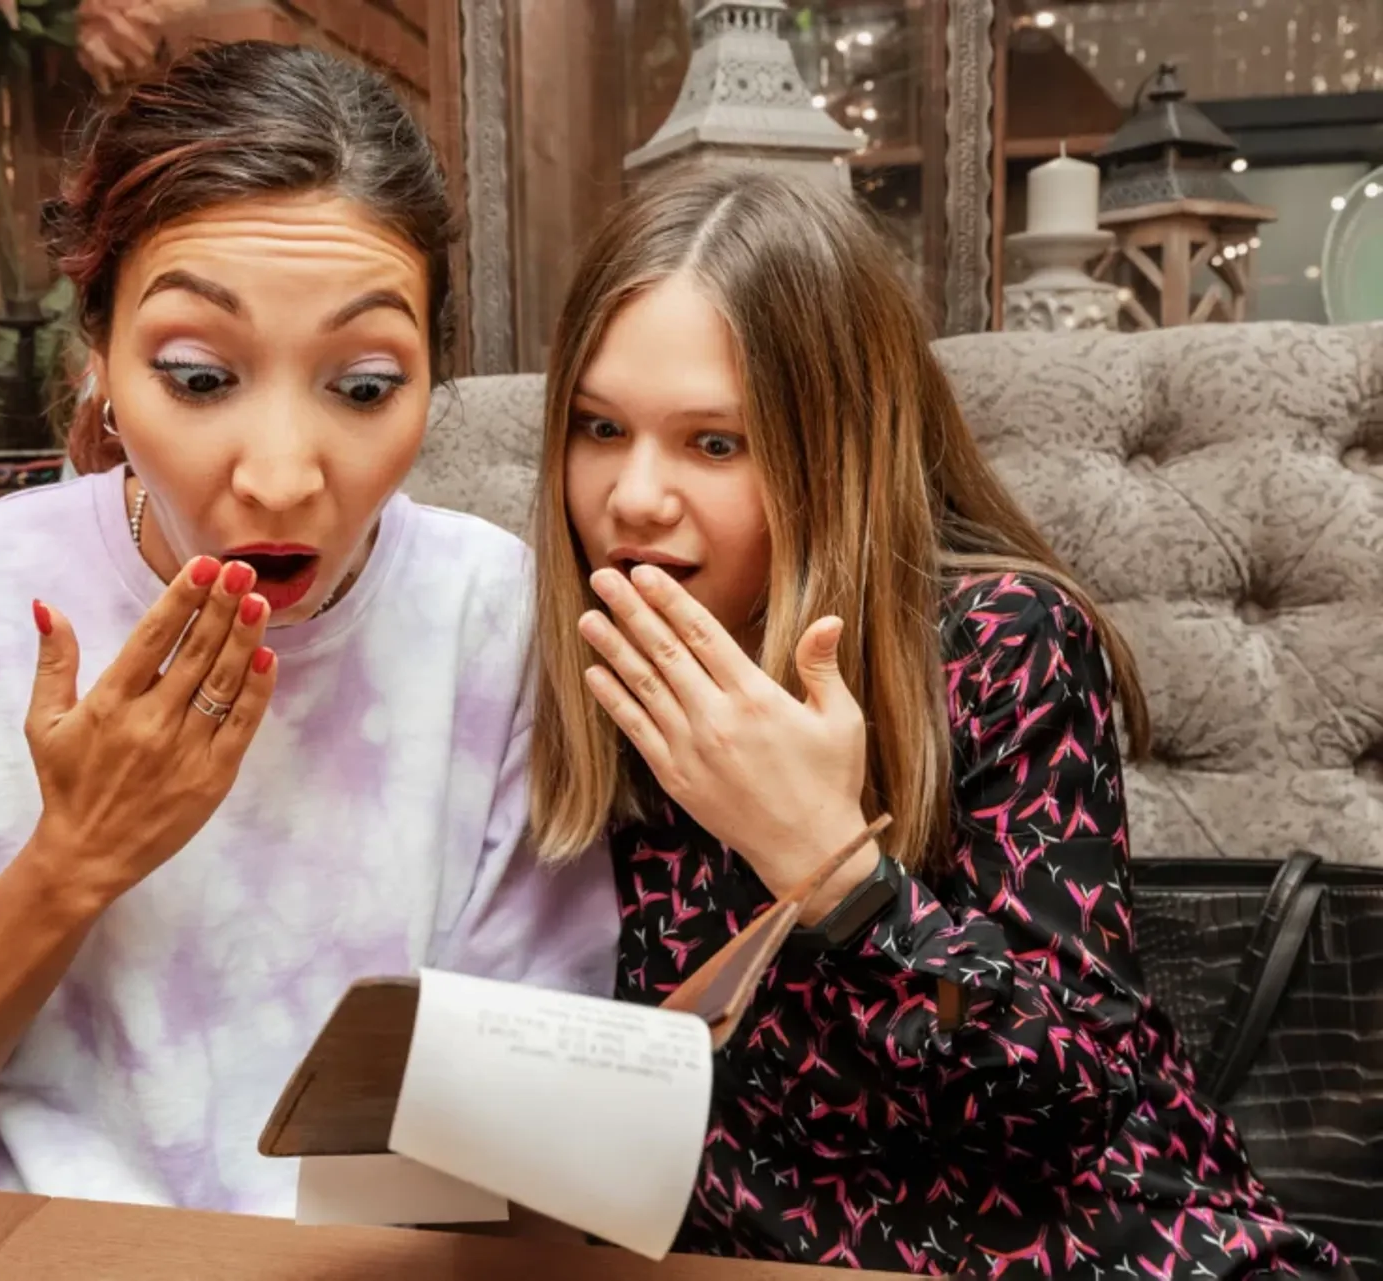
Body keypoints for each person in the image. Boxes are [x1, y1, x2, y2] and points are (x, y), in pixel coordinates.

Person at [0, 41, 616, 1218]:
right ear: (101, 356)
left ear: (431, 376)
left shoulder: (487, 611)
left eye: (362, 386)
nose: (281, 475)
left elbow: (537, 1114)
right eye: (201, 376)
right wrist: (72, 865)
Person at [525, 170, 1348, 1279]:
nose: (633, 497)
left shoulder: (999, 643)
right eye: (599, 427)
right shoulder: (573, 676)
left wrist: (836, 871)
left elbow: (1077, 1100)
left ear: (832, 448)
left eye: (714, 443)